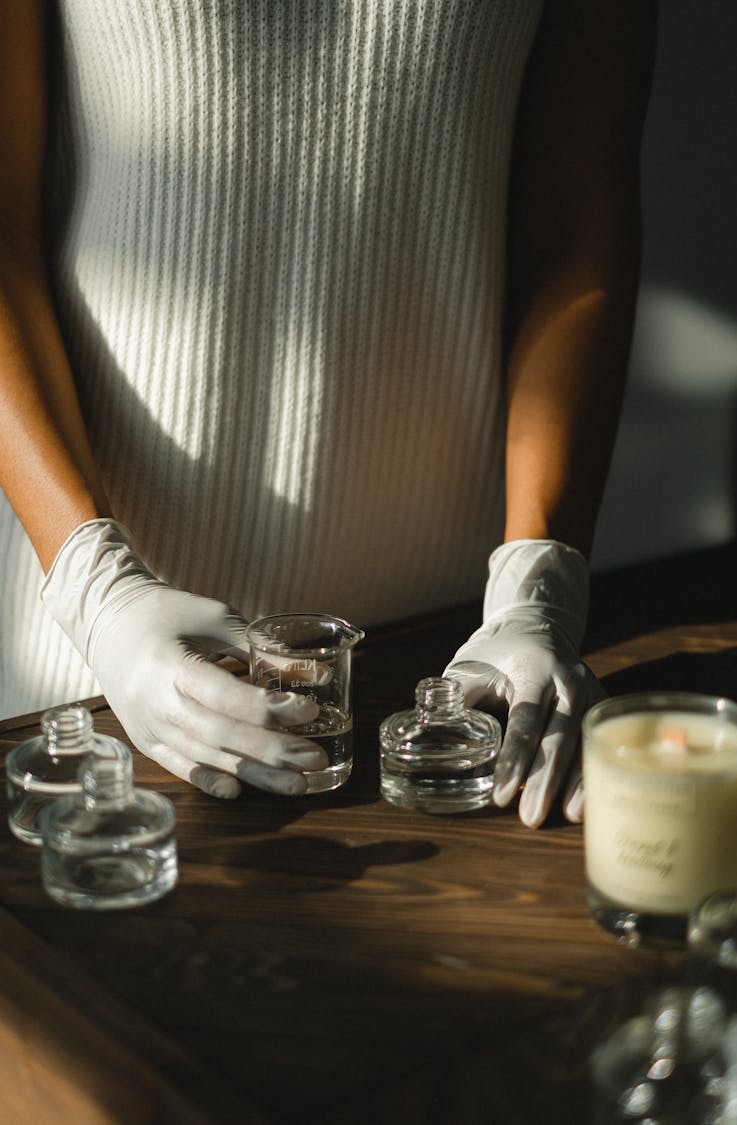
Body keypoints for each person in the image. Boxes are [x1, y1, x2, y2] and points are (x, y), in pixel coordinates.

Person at [0, 1, 656, 826]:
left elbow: (576, 224)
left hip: (463, 675)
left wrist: (538, 588)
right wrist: (97, 590)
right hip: (99, 671)